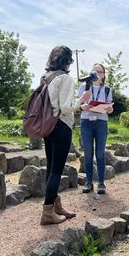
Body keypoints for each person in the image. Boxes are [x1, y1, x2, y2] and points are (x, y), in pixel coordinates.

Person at [40, 45, 91, 225]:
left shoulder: (46, 77)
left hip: (47, 125)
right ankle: (47, 212)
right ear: (67, 61)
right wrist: (82, 100)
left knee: (50, 168)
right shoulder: (65, 78)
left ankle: (56, 207)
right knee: (56, 171)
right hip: (61, 126)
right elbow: (66, 107)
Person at [78, 63, 114, 194]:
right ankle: (88, 182)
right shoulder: (84, 86)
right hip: (86, 121)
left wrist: (109, 108)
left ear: (104, 74)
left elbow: (110, 109)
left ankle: (101, 183)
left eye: (100, 72)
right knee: (88, 153)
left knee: (100, 153)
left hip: (101, 123)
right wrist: (83, 107)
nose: (97, 74)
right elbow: (78, 103)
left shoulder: (107, 89)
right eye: (95, 71)